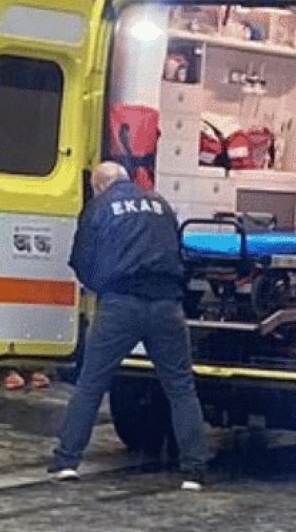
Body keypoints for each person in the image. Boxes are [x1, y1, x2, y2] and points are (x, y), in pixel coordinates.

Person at [50, 162, 209, 491]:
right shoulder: (161, 204)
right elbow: (178, 253)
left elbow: (82, 259)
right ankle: (194, 470)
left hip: (120, 305)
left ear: (99, 186)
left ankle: (67, 461)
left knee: (91, 383)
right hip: (167, 306)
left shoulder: (99, 208)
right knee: (181, 387)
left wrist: (104, 288)